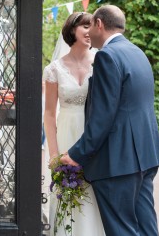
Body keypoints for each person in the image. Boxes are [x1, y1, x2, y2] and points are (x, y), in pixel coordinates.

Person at [61, 5, 159, 236]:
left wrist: (76, 154)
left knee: (122, 230)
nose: (89, 33)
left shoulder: (107, 56)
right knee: (147, 228)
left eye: (91, 26)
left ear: (100, 24)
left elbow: (103, 116)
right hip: (145, 157)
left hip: (118, 162)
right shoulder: (137, 52)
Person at [43, 12, 105, 236]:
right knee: (67, 193)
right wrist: (54, 154)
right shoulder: (54, 70)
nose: (90, 31)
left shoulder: (101, 61)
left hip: (93, 134)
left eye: (92, 26)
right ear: (72, 30)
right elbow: (49, 114)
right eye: (85, 26)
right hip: (66, 133)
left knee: (92, 194)